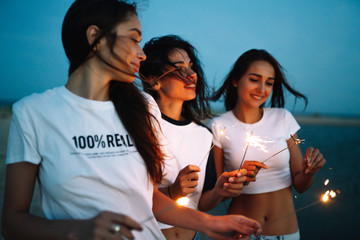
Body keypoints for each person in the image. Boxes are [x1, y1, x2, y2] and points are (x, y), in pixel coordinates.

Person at [1, 1, 262, 239]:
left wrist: (211, 224)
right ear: (96, 38)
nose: (142, 53)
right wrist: (78, 229)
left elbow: (149, 199)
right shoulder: (34, 114)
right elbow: (13, 222)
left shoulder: (143, 107)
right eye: (134, 39)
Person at [209, 49, 326, 240]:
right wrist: (238, 178)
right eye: (254, 79)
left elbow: (301, 185)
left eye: (269, 83)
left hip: (286, 233)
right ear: (236, 80)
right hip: (240, 234)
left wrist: (309, 171)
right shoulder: (219, 126)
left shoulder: (283, 118)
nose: (262, 89)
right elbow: (217, 193)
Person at [140, 35, 248, 240]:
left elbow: (201, 203)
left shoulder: (203, 135)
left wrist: (219, 190)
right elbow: (127, 198)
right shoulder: (141, 126)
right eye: (179, 67)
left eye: (191, 66)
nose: (191, 75)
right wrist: (172, 192)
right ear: (154, 79)